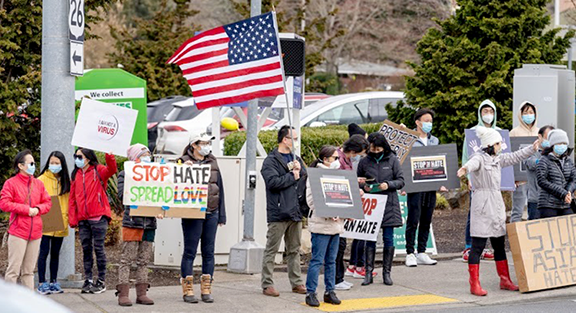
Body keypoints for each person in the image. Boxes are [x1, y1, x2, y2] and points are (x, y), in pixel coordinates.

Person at [457, 127, 537, 296]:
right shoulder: (479, 157)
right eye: (498, 143)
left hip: (496, 204)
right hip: (482, 204)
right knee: (477, 247)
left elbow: (516, 156)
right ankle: (474, 284)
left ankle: (505, 280)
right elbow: (473, 163)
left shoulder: (498, 159)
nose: (501, 145)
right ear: (489, 144)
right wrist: (465, 169)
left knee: (499, 245)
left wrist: (532, 148)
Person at [178, 133, 226, 304]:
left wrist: (222, 214)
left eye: (208, 143)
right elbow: (169, 175)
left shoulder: (212, 161)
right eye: (203, 143)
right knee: (190, 251)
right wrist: (183, 167)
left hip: (211, 211)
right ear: (194, 145)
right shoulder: (182, 160)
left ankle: (206, 288)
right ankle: (188, 289)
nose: (207, 146)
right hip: (192, 212)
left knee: (209, 251)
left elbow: (219, 187)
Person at [260, 125, 307, 297]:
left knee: (294, 249)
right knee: (271, 249)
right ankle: (267, 284)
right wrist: (291, 174)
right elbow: (272, 182)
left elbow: (304, 178)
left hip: (295, 210)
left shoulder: (297, 158)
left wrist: (299, 170)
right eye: (293, 138)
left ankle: (296, 282)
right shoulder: (271, 160)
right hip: (279, 211)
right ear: (285, 139)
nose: (295, 141)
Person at [357, 132, 404, 286]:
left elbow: (401, 180)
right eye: (373, 149)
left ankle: (387, 273)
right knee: (370, 238)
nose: (376, 152)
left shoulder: (392, 159)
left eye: (379, 149)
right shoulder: (364, 162)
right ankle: (368, 273)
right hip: (371, 203)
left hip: (388, 203)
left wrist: (388, 185)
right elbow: (357, 181)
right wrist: (363, 185)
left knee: (388, 238)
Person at [0, 150, 52, 290]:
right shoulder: (11, 183)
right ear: (21, 166)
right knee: (13, 270)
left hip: (35, 233)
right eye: (31, 163)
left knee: (28, 272)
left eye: (34, 163)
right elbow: (4, 204)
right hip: (18, 232)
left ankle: (28, 304)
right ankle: (9, 304)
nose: (33, 166)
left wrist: (38, 209)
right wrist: (26, 210)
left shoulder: (38, 184)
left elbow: (48, 203)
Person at [116, 144, 160, 306]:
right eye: (143, 155)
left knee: (144, 260)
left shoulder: (155, 176)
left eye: (148, 155)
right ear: (135, 158)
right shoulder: (125, 175)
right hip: (132, 222)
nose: (147, 158)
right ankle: (123, 294)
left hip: (149, 223)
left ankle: (141, 293)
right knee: (126, 259)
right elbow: (122, 196)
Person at [69, 148, 117, 294]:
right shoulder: (75, 174)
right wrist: (72, 218)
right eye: (75, 156)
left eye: (79, 156)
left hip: (98, 217)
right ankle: (88, 280)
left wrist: (109, 153)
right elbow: (72, 199)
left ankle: (101, 281)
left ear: (88, 158)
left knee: (99, 249)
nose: (77, 159)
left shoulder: (98, 170)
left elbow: (112, 169)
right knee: (86, 250)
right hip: (83, 219)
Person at [405, 108, 447, 267]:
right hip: (415, 186)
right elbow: (403, 162)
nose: (429, 124)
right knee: (413, 219)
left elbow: (439, 163)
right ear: (417, 122)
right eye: (426, 121)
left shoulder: (434, 141)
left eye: (431, 121)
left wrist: (442, 182)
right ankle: (410, 252)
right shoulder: (409, 140)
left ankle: (421, 251)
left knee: (426, 218)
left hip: (430, 185)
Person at [304, 146, 344, 307]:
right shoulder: (314, 176)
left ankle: (330, 290)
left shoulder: (338, 175)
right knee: (317, 260)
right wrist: (329, 213)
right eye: (335, 157)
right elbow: (311, 201)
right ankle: (311, 292)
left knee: (331, 261)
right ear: (326, 159)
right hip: (321, 224)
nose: (337, 161)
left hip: (335, 225)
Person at [461, 99, 499, 262]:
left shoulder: (499, 132)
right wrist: (469, 177)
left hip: (493, 182)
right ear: (479, 113)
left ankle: (487, 247)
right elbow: (466, 156)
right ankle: (469, 247)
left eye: (491, 112)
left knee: (492, 214)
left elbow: (504, 157)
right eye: (485, 112)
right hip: (478, 180)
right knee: (475, 213)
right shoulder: (472, 132)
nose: (488, 115)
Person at [335, 134, 369, 290]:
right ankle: (336, 279)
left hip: (344, 205)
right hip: (337, 206)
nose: (358, 156)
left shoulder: (346, 159)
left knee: (341, 245)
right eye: (358, 153)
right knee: (338, 246)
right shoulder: (338, 160)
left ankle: (339, 277)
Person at [37, 151, 71, 295]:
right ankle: (41, 282)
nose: (54, 165)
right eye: (52, 162)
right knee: (43, 252)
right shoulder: (41, 179)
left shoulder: (65, 181)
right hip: (46, 219)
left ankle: (53, 281)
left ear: (62, 165)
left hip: (61, 221)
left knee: (56, 253)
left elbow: (68, 201)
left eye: (57, 163)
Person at [509, 101, 539, 223]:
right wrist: (512, 177)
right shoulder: (514, 132)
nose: (529, 115)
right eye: (525, 112)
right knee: (517, 210)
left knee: (534, 210)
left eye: (531, 112)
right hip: (519, 180)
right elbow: (509, 157)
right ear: (520, 115)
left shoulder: (539, 132)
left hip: (535, 180)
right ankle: (514, 238)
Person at [536, 129, 576, 218]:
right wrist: (563, 193)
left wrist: (569, 191)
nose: (562, 146)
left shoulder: (569, 160)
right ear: (552, 145)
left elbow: (573, 179)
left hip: (565, 203)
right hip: (548, 204)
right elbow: (542, 180)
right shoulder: (544, 160)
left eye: (564, 144)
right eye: (559, 143)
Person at [524, 125, 554, 220]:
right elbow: (531, 163)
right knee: (534, 231)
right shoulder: (532, 151)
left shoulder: (555, 154)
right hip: (536, 200)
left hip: (552, 201)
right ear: (540, 136)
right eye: (547, 136)